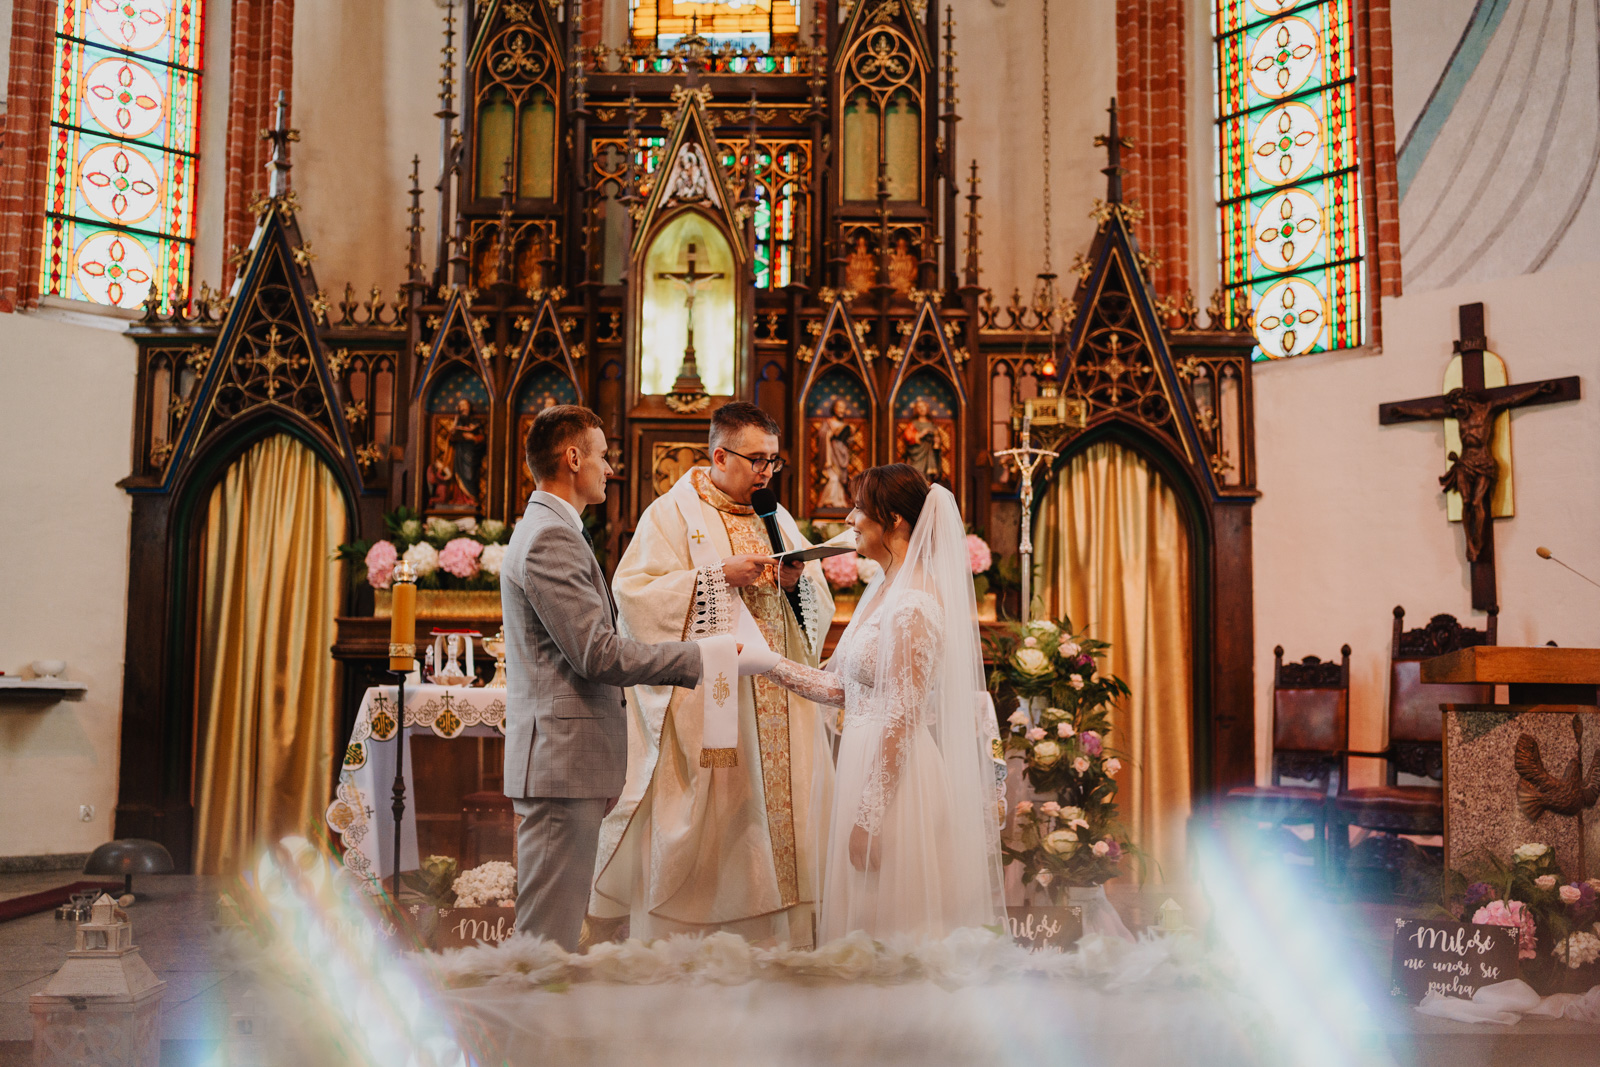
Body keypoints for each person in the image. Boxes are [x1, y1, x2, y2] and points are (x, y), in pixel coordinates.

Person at [501, 405, 756, 950]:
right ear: (573, 459)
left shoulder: (550, 529)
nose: (610, 468)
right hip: (561, 766)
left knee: (554, 937)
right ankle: (529, 1034)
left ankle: (542, 1029)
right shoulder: (550, 536)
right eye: (602, 455)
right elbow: (596, 654)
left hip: (564, 763)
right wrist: (701, 656)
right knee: (545, 941)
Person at [589, 402, 834, 947]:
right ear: (720, 455)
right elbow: (633, 596)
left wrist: (794, 582)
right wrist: (716, 577)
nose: (767, 473)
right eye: (757, 461)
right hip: (716, 703)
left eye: (774, 462)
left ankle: (783, 943)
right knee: (719, 823)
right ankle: (696, 942)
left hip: (780, 701)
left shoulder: (777, 516)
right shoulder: (670, 516)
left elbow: (815, 602)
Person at [762, 463, 1006, 942]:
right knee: (860, 929)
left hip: (898, 784)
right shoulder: (884, 589)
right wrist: (763, 662)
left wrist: (869, 818)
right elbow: (841, 689)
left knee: (893, 929)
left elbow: (902, 715)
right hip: (864, 763)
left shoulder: (915, 601)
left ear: (893, 519)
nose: (849, 519)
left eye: (860, 508)